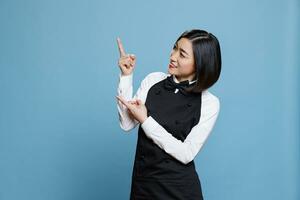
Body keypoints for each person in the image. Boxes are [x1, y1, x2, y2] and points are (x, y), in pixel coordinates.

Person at [116, 29, 221, 200]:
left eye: (183, 54)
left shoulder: (209, 103)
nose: (173, 56)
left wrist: (146, 121)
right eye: (174, 48)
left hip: (180, 190)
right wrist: (126, 77)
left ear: (200, 63)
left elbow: (186, 153)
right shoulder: (153, 80)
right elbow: (126, 124)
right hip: (143, 185)